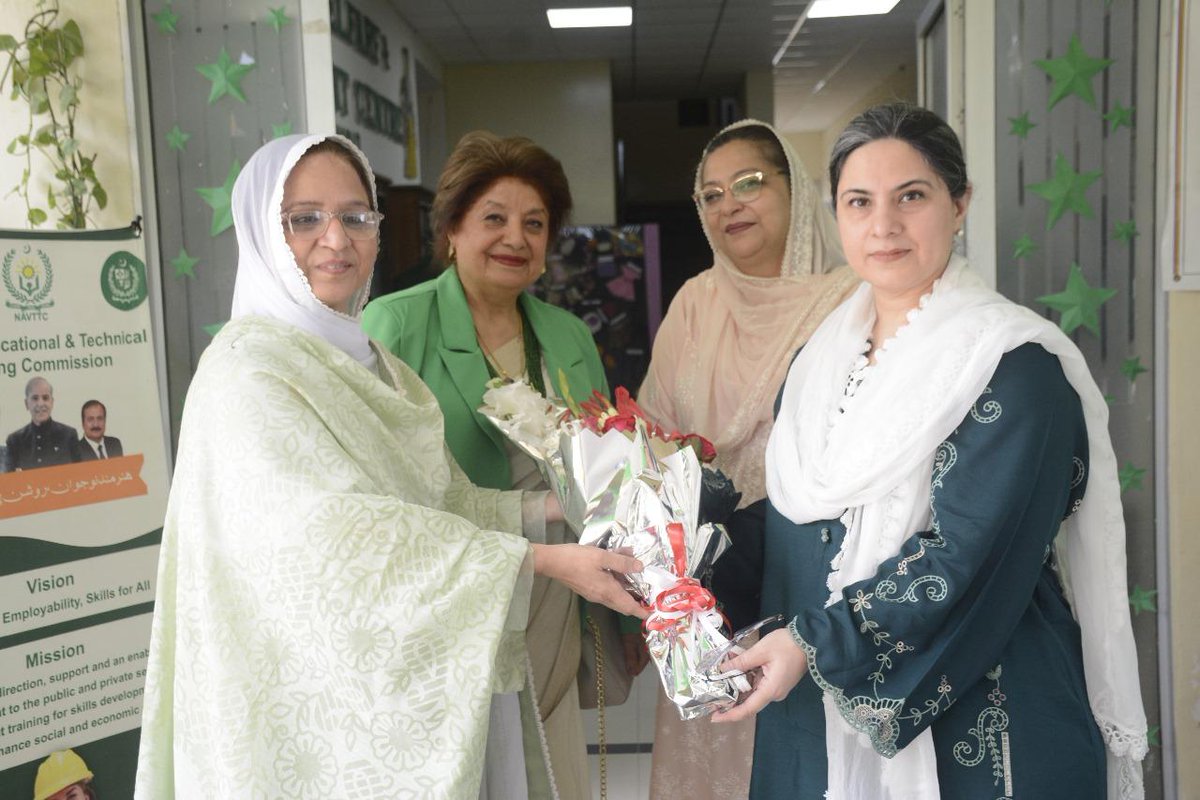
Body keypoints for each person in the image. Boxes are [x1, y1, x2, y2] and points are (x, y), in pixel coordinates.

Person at [133, 133, 644, 800]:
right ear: (263, 233)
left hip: (424, 664)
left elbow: (441, 500)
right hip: (313, 705)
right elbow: (330, 542)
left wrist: (556, 508)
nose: (336, 240)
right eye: (305, 219)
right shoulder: (246, 372)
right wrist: (541, 561)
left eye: (355, 217)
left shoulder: (375, 363)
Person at [712, 103, 1148, 799]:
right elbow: (804, 518)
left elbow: (965, 554)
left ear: (959, 203)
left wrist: (815, 645)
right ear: (837, 214)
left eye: (910, 197)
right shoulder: (820, 362)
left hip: (979, 712)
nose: (883, 225)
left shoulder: (1013, 366)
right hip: (814, 715)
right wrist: (693, 564)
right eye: (859, 202)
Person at [363, 130, 641, 800]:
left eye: (535, 224)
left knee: (553, 769)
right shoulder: (392, 326)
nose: (515, 237)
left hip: (556, 597)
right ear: (452, 227)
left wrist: (629, 614)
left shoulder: (568, 336)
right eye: (494, 218)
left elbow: (605, 479)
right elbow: (376, 494)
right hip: (453, 601)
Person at [637, 119, 858, 800]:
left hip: (822, 570)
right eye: (710, 194)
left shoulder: (851, 298)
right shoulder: (695, 303)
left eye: (750, 183)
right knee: (721, 750)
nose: (729, 203)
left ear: (795, 189)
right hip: (716, 588)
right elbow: (653, 439)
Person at [5, 376, 81, 470]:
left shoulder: (68, 435)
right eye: (35, 398)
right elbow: (8, 481)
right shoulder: (15, 441)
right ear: (26, 404)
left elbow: (81, 474)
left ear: (52, 402)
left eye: (45, 398)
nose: (40, 404)